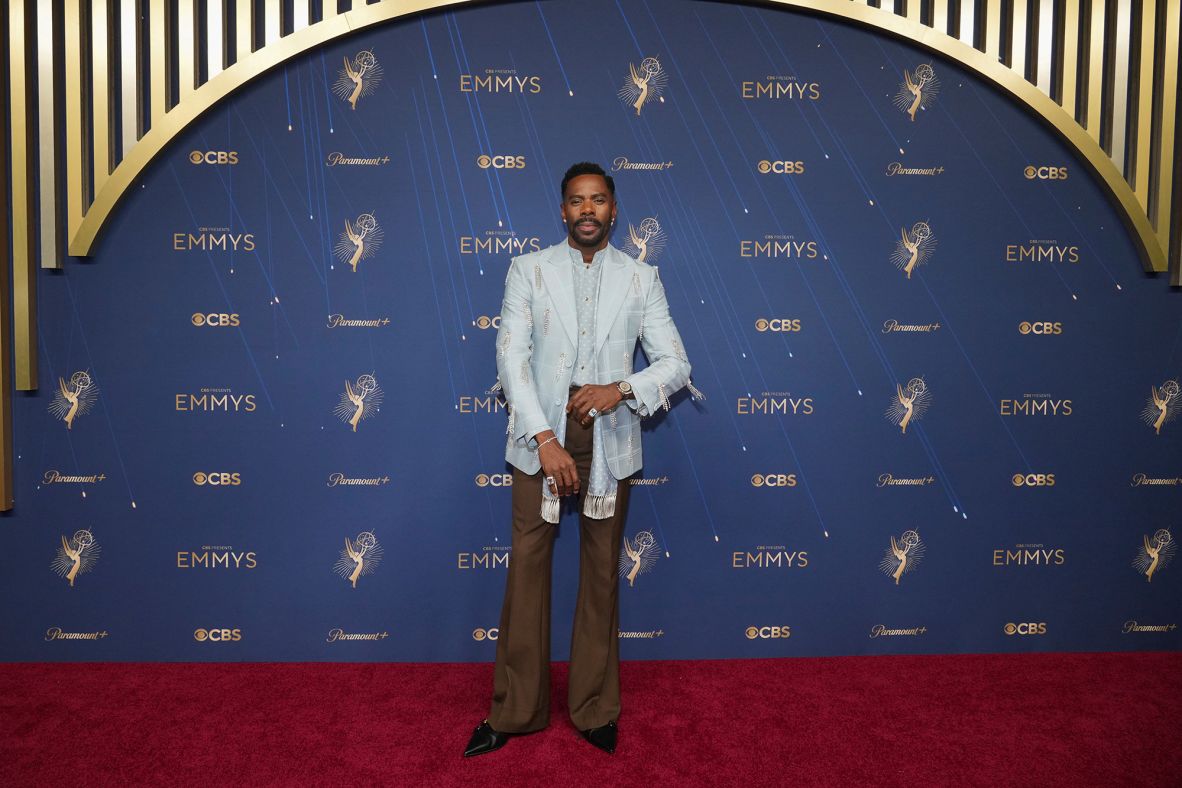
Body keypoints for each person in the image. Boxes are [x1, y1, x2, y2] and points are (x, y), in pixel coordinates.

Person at [464, 162, 695, 756]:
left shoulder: (643, 277)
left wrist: (618, 389)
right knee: (527, 569)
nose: (587, 210)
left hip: (610, 436)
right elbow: (510, 360)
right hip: (539, 437)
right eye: (576, 201)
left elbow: (676, 364)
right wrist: (544, 438)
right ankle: (516, 711)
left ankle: (595, 709)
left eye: (597, 200)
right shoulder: (528, 269)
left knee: (599, 572)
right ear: (562, 210)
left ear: (614, 211)